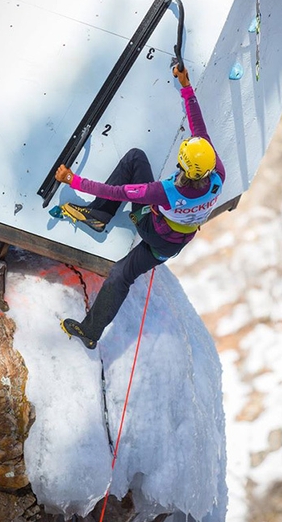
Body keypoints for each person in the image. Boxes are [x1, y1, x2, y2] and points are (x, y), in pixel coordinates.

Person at [54, 66, 226, 349]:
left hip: (152, 226)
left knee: (135, 158)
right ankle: (90, 332)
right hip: (172, 244)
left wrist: (73, 180)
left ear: (184, 167)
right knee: (122, 274)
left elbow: (117, 191)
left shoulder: (166, 192)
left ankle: (99, 214)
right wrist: (186, 87)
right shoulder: (216, 173)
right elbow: (200, 130)